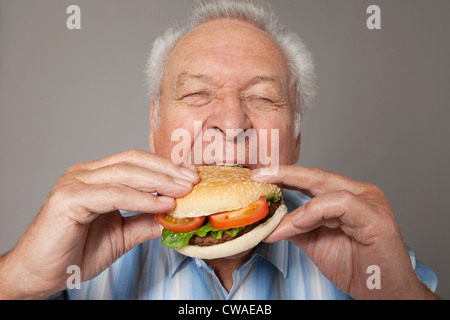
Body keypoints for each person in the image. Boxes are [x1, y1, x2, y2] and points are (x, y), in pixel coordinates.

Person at [0, 0, 438, 300]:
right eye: (196, 94)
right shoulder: (79, 255)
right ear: (156, 128)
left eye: (264, 98)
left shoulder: (363, 248)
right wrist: (17, 280)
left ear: (296, 138)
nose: (231, 123)